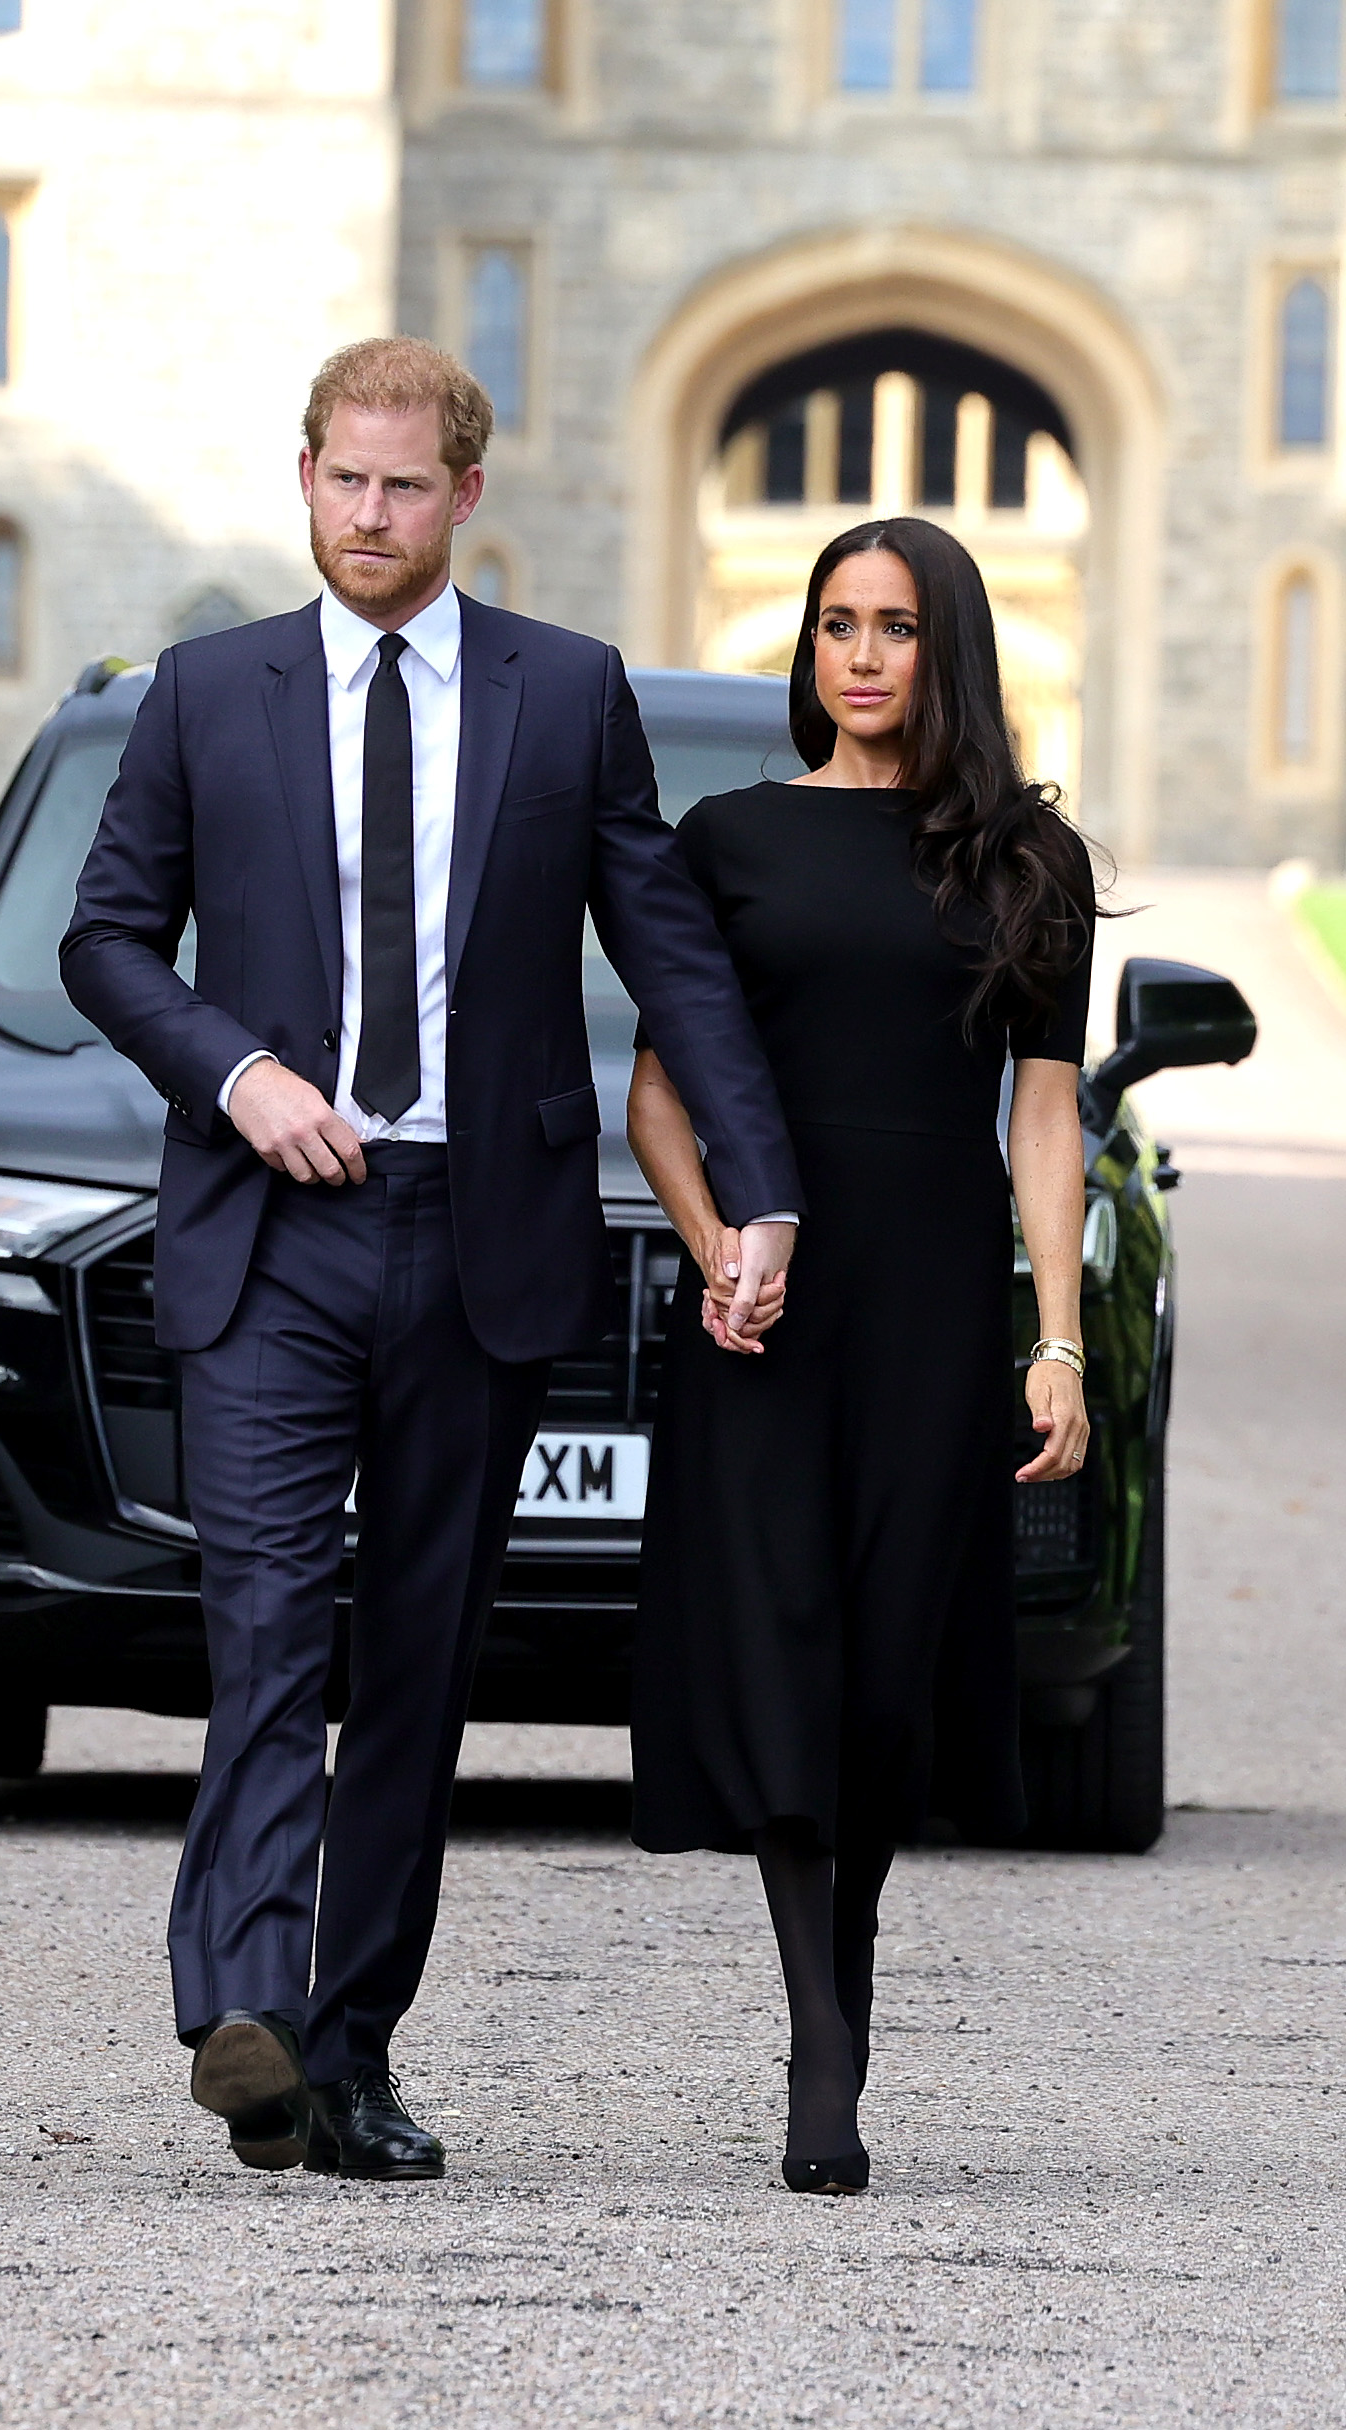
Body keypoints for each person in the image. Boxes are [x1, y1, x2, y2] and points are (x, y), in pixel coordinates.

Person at [61, 338, 803, 2181]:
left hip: (484, 1237)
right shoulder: (201, 693)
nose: (370, 518)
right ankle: (242, 2000)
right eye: (343, 482)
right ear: (300, 474)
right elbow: (105, 940)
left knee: (416, 1660)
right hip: (273, 1231)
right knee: (264, 1620)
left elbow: (670, 953)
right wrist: (238, 1076)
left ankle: (351, 2045)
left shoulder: (567, 697)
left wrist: (761, 1182)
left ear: (467, 495)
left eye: (406, 488)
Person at [627, 517, 1097, 2196]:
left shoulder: (1030, 858)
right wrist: (713, 1251)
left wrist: (1057, 1338)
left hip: (932, 1298)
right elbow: (665, 1089)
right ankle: (824, 2037)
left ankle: (850, 1963)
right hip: (775, 1301)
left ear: (947, 645)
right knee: (784, 1640)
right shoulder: (729, 839)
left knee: (891, 1659)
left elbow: (1048, 1114)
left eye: (898, 625)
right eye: (836, 624)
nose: (864, 654)